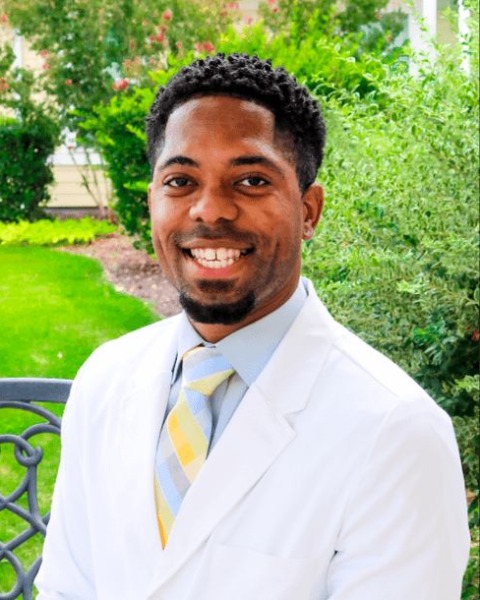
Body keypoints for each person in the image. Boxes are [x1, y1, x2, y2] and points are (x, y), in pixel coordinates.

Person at [36, 53, 470, 600]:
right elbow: (67, 589)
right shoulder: (104, 380)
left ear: (309, 210)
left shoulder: (397, 433)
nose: (209, 210)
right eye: (180, 180)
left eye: (250, 180)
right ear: (152, 202)